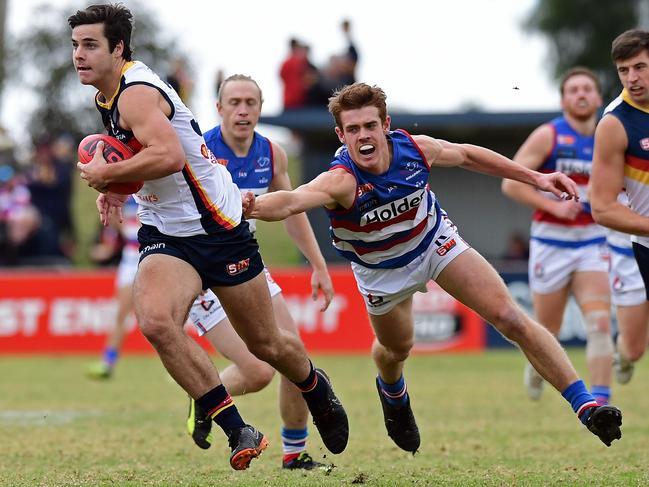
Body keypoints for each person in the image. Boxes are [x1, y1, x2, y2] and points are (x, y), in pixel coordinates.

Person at [244, 82, 623, 450]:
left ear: (385, 125)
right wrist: (252, 206)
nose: (364, 136)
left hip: (434, 243)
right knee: (395, 350)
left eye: (371, 125)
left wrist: (536, 177)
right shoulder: (340, 181)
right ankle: (393, 392)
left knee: (510, 317)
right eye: (354, 129)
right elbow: (292, 201)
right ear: (341, 135)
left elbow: (469, 155)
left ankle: (586, 405)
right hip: (382, 272)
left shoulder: (415, 149)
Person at [69, 4, 348, 471]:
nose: (79, 54)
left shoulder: (136, 93)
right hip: (167, 230)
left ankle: (313, 385)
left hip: (218, 226)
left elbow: (170, 155)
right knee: (156, 321)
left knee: (266, 347)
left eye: (90, 44)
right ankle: (237, 428)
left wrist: (110, 173)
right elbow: (142, 157)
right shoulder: (107, 95)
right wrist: (117, 189)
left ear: (118, 48)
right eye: (76, 45)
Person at [185, 74, 334, 470]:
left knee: (293, 355)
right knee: (256, 371)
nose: (243, 110)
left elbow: (290, 209)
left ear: (261, 108)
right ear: (218, 109)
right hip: (200, 272)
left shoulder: (272, 153)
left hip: (246, 266)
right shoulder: (198, 149)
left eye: (251, 102)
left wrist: (318, 264)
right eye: (234, 102)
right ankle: (206, 396)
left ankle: (294, 453)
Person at [501, 67, 614, 405]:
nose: (580, 94)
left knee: (599, 323)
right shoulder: (548, 135)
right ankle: (535, 369)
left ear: (597, 97)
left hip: (593, 241)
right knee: (546, 331)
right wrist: (551, 207)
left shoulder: (611, 134)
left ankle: (603, 404)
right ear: (563, 99)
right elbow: (510, 184)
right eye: (573, 90)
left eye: (587, 89)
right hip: (551, 242)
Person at [590, 28, 649, 383]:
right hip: (642, 243)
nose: (633, 78)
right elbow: (602, 208)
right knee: (635, 348)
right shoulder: (615, 123)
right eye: (624, 71)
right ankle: (623, 354)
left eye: (640, 67)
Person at [86, 196, 139, 379]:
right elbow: (118, 234)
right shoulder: (124, 196)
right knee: (121, 315)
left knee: (166, 316)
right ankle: (108, 362)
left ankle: (180, 364)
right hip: (130, 260)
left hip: (154, 256)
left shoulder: (151, 190)